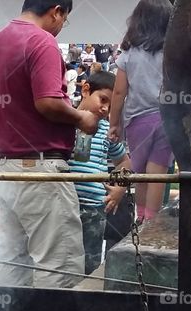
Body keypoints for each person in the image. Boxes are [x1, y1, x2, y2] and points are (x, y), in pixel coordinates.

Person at [0, 0, 99, 288]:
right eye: (65, 19)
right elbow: (47, 102)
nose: (61, 27)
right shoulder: (41, 41)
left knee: (13, 261)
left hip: (6, 168)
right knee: (59, 264)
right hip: (40, 171)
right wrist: (81, 118)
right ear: (57, 11)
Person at [108, 0, 175, 234]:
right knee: (157, 172)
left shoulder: (128, 54)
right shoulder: (171, 52)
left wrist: (114, 123)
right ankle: (152, 220)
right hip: (167, 119)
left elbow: (118, 92)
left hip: (137, 120)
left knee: (141, 172)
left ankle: (140, 216)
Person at [68, 71, 128, 275]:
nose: (105, 109)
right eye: (102, 100)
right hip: (66, 203)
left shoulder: (106, 130)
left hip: (95, 207)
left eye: (111, 106)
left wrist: (120, 188)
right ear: (85, 90)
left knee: (89, 262)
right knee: (64, 259)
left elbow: (124, 161)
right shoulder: (66, 122)